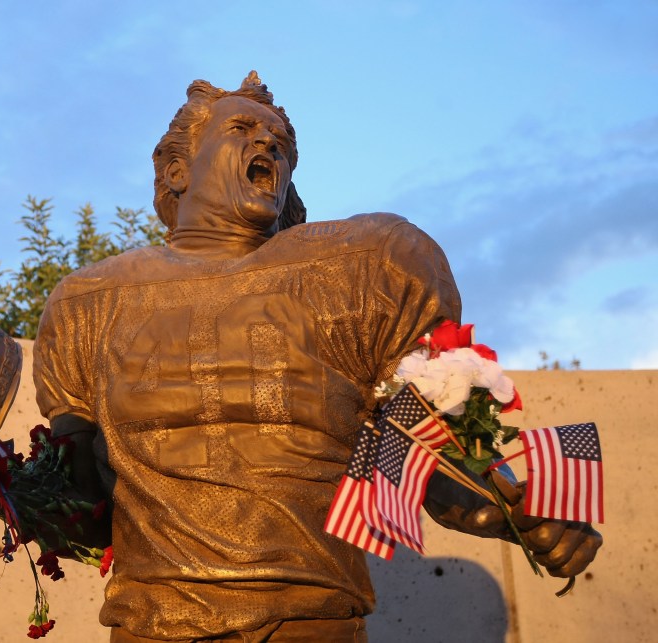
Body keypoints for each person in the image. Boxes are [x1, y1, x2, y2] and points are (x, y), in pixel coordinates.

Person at [32, 71, 601, 642]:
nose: (269, 143)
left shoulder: (354, 272)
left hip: (311, 620)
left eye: (279, 139)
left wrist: (513, 510)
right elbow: (78, 498)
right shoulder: (91, 305)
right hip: (154, 623)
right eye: (242, 128)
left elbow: (424, 442)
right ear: (179, 169)